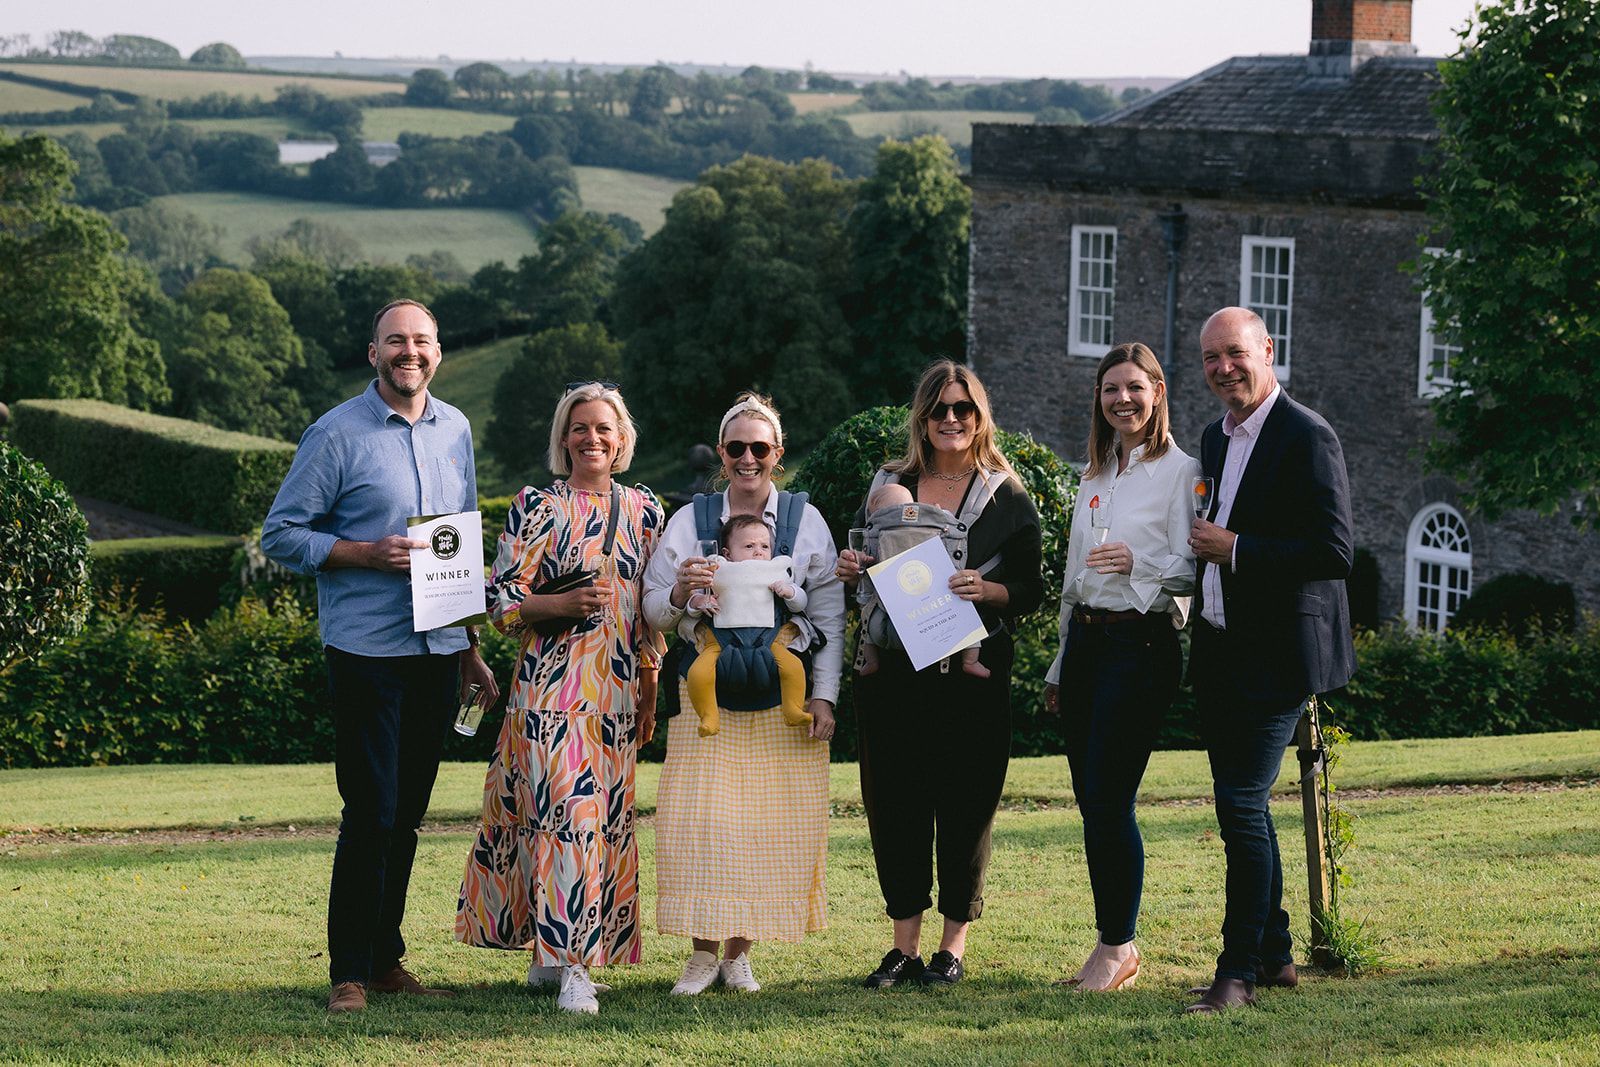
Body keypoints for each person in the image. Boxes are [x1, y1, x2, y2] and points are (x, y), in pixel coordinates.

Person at [262, 299, 500, 1016]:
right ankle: (348, 973)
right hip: (365, 649)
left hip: (435, 648)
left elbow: (458, 542)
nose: (410, 352)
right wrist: (363, 553)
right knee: (372, 810)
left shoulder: (455, 428)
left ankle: (386, 955)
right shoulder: (335, 435)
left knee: (410, 812)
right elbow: (281, 533)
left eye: (421, 341)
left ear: (437, 351)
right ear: (374, 353)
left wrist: (470, 647)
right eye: (396, 341)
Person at [453, 382, 664, 1016]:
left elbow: (649, 616)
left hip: (620, 696)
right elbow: (500, 604)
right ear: (562, 438)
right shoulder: (536, 506)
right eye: (579, 428)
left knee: (598, 828)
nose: (592, 439)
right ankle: (575, 966)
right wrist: (558, 605)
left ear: (623, 437)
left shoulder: (646, 510)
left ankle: (550, 957)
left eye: (604, 428)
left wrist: (652, 692)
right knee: (566, 822)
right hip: (549, 695)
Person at [838, 360, 1043, 988]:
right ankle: (902, 947)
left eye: (963, 409)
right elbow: (865, 576)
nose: (951, 420)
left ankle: (952, 947)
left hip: (970, 680)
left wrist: (988, 588)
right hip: (894, 676)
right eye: (939, 409)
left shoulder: (1006, 494)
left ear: (980, 417)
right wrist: (851, 569)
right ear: (921, 418)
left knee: (965, 806)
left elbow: (1032, 589)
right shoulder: (889, 483)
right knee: (894, 805)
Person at [642, 392, 843, 996]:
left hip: (784, 695)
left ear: (777, 454)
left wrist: (825, 696)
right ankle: (702, 954)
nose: (748, 458)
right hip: (709, 693)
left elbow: (829, 613)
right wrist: (680, 593)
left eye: (761, 447)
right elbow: (651, 610)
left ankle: (739, 953)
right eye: (737, 448)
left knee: (768, 825)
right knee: (702, 822)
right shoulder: (690, 521)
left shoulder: (807, 520)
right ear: (723, 454)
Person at [1185, 307, 1355, 1014]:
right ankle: (1278, 954)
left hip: (1282, 657)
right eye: (1210, 359)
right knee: (1246, 810)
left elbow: (1335, 551)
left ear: (1268, 350)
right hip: (1223, 650)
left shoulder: (1308, 435)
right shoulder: (1212, 437)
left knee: (1239, 806)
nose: (1224, 368)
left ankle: (1238, 971)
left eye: (1235, 353)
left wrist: (1238, 549)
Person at [1041, 342, 1201, 992]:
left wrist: (1140, 565)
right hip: (1084, 645)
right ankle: (1113, 942)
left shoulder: (1181, 471)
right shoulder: (1093, 475)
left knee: (1110, 798)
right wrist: (1057, 663)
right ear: (1100, 400)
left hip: (1140, 647)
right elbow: (1074, 580)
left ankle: (1118, 946)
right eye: (1112, 390)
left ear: (1157, 392)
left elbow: (1194, 573)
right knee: (1092, 801)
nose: (1123, 400)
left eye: (1135, 387)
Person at [684, 513, 810, 737]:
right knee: (698, 672)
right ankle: (709, 715)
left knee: (793, 667)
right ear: (727, 554)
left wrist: (789, 593)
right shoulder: (716, 569)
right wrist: (702, 601)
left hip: (768, 640)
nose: (758, 551)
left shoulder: (775, 571)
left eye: (764, 546)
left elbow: (800, 603)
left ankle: (793, 710)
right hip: (721, 641)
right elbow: (692, 601)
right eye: (749, 546)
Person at [854, 481, 988, 679]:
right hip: (936, 591)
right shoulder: (931, 520)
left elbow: (867, 558)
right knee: (966, 626)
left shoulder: (876, 533)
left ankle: (872, 661)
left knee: (869, 626)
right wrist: (938, 513)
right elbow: (950, 527)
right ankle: (971, 661)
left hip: (891, 600)